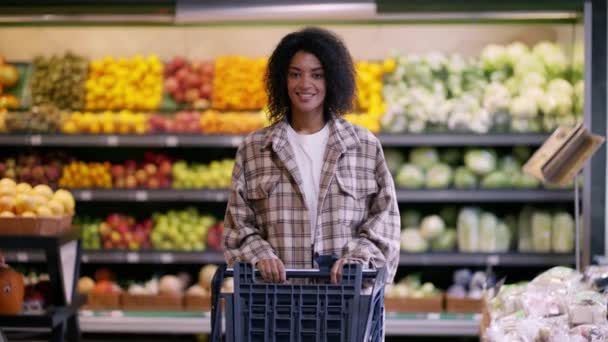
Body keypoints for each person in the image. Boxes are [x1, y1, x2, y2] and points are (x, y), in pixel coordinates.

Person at [223, 27, 400, 285]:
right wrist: (260, 256)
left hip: (346, 305)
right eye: (296, 74)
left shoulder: (363, 146)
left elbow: (385, 220)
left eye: (317, 75)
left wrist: (360, 258)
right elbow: (238, 225)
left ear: (333, 80)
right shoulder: (255, 149)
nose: (305, 84)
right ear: (282, 79)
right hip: (276, 305)